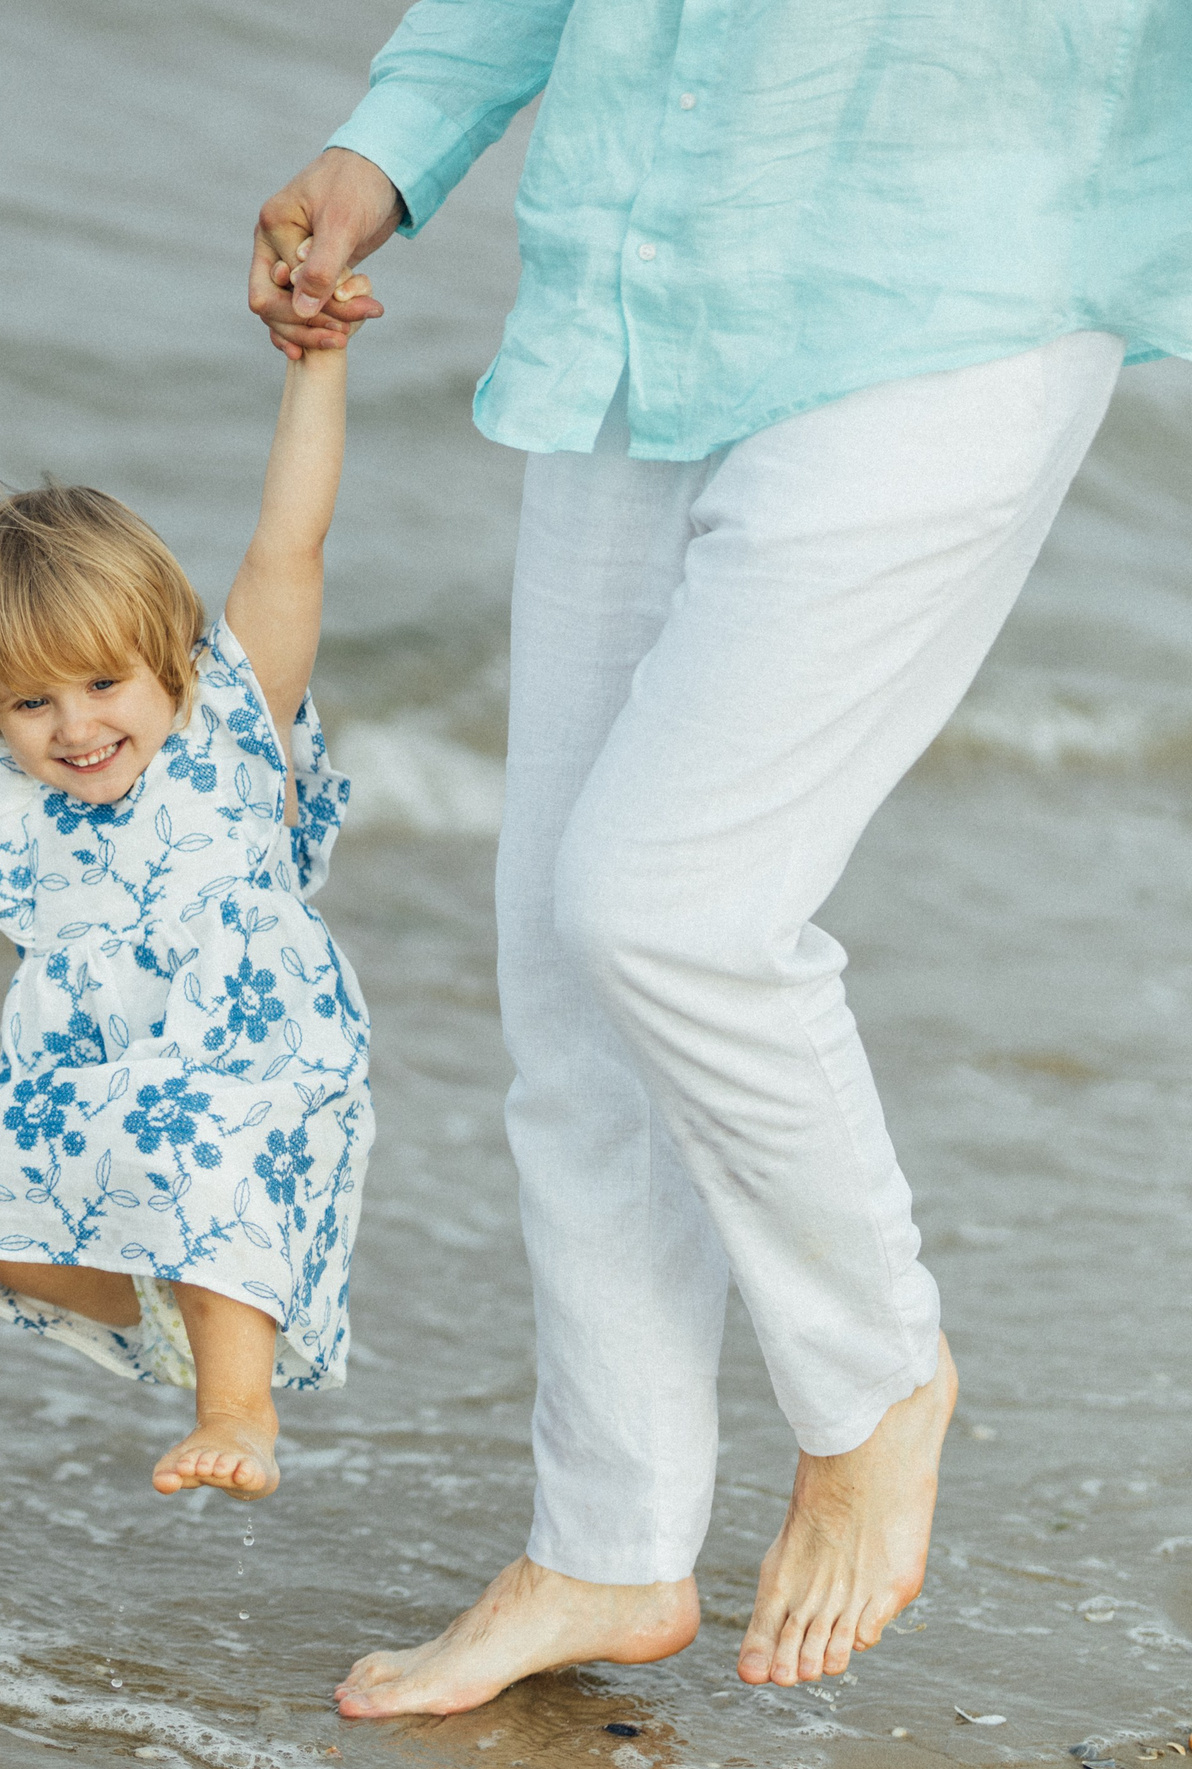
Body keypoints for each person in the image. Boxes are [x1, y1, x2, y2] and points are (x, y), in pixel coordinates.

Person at [247, 0, 1191, 1712]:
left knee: (671, 905)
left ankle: (876, 1374)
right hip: (645, 284)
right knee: (564, 963)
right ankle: (606, 1536)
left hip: (956, 293)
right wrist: (399, 135)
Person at [0, 303, 374, 1516]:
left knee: (195, 1122)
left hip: (247, 1118)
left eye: (103, 682)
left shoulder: (226, 724)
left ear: (167, 660)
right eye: (32, 703)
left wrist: (319, 367)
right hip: (95, 1139)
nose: (77, 726)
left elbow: (291, 538)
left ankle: (235, 1409)